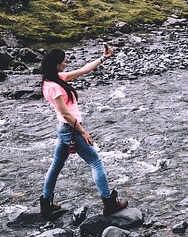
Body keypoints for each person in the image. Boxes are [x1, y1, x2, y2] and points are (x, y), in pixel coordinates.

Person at [37, 43, 127, 217]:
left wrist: (103, 58)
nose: (66, 63)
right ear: (56, 64)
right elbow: (65, 114)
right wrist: (83, 131)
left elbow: (83, 70)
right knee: (95, 162)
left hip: (63, 129)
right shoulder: (54, 86)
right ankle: (109, 202)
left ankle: (46, 203)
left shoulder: (54, 80)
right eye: (64, 61)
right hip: (70, 129)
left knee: (56, 165)